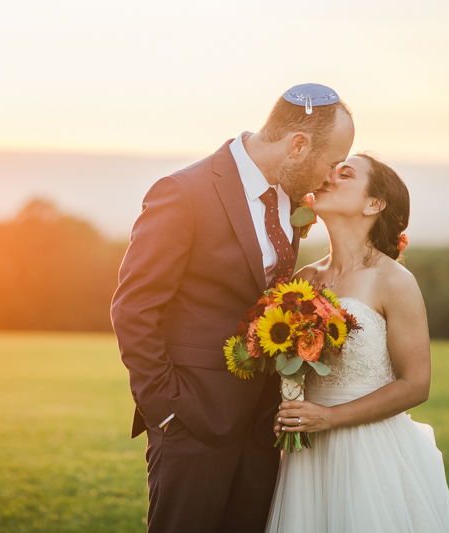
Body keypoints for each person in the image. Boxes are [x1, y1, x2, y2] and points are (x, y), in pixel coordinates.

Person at [110, 84, 355, 533]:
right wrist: (166, 410)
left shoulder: (291, 198)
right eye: (331, 162)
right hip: (192, 423)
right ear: (297, 145)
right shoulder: (183, 192)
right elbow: (134, 308)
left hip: (261, 427)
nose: (330, 176)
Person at [266, 154, 449, 532]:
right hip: (307, 453)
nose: (329, 177)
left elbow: (415, 384)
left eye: (346, 174)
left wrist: (330, 417)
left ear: (374, 204)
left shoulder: (394, 280)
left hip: (367, 452)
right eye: (332, 170)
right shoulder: (306, 277)